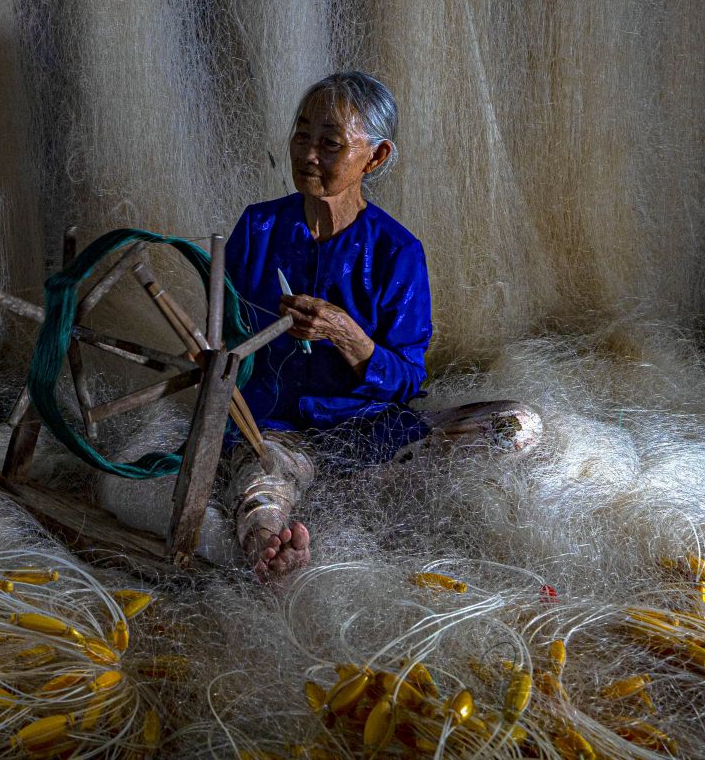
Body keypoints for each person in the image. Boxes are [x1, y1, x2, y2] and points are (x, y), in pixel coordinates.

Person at [224, 72, 539, 581]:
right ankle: (274, 552)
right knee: (260, 484)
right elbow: (225, 342)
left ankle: (362, 485)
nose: (308, 154)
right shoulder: (257, 229)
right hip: (277, 431)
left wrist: (349, 336)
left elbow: (409, 379)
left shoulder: (397, 252)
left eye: (330, 143)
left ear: (376, 157)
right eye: (301, 135)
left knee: (516, 425)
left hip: (371, 433)